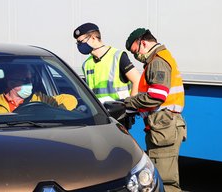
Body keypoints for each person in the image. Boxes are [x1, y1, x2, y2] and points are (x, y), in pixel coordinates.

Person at [124, 28, 187, 192]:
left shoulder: (157, 61)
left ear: (142, 43)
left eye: (135, 52)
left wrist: (129, 103)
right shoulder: (158, 59)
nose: (136, 57)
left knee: (165, 183)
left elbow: (157, 96)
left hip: (163, 127)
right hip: (162, 126)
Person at [73, 22, 140, 103]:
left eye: (81, 41)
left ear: (93, 38)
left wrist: (131, 106)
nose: (79, 45)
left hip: (121, 111)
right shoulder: (86, 64)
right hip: (100, 113)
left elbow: (137, 80)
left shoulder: (117, 56)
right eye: (77, 43)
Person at [0, 65, 77, 115]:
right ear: (10, 83)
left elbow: (71, 100)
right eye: (25, 80)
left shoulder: (40, 98)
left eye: (31, 79)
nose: (30, 83)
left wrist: (56, 113)